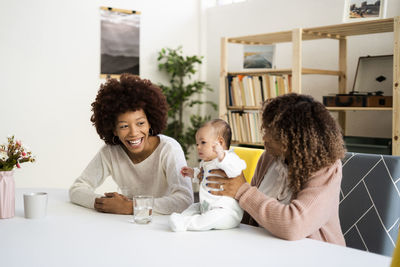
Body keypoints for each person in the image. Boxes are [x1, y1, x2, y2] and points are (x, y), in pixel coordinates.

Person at [206, 93, 346, 245]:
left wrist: (242, 191)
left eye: (273, 134)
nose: (265, 138)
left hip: (316, 254)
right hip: (266, 247)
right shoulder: (269, 157)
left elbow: (294, 225)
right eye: (265, 130)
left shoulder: (326, 169)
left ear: (294, 138)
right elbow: (248, 215)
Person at [69, 74, 193, 215]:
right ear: (114, 130)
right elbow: (77, 189)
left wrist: (131, 207)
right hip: (127, 225)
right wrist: (106, 204)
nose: (134, 133)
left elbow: (184, 200)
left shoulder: (169, 149)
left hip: (163, 226)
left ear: (150, 122)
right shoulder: (110, 152)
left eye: (140, 123)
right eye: (123, 126)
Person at [169, 119, 246, 231]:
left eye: (203, 142)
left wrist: (223, 156)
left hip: (226, 211)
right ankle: (182, 217)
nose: (198, 147)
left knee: (213, 217)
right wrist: (193, 173)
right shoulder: (206, 162)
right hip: (207, 206)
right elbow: (203, 175)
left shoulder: (229, 157)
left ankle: (186, 224)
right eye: (197, 144)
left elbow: (236, 170)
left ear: (220, 143)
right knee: (194, 207)